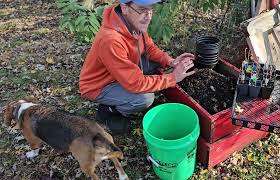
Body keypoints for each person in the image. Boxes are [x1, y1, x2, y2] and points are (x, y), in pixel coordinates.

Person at [79, 0, 195, 134]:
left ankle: (123, 93)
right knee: (144, 99)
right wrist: (173, 78)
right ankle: (108, 111)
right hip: (100, 85)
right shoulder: (111, 40)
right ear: (125, 8)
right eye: (142, 10)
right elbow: (135, 83)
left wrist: (170, 61)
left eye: (151, 9)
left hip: (120, 71)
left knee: (157, 63)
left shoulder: (133, 24)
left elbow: (149, 49)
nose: (148, 16)